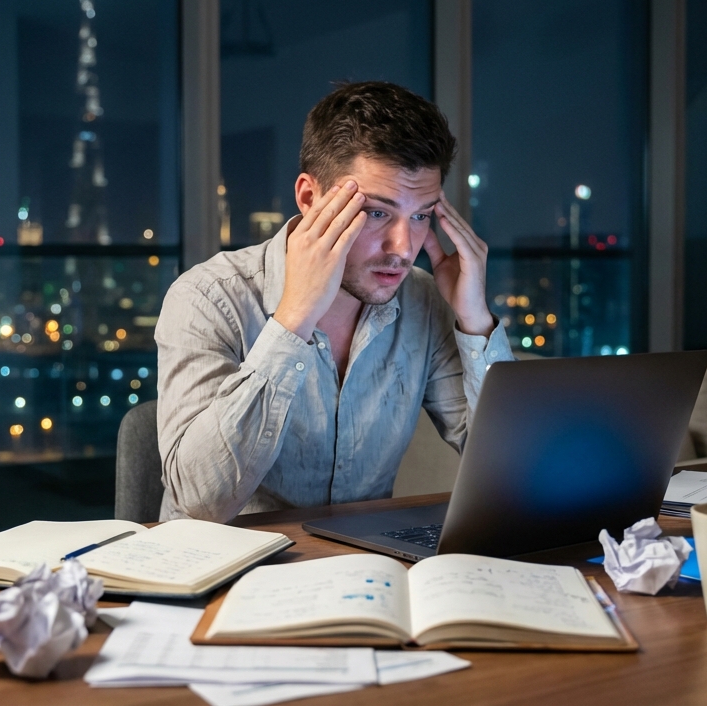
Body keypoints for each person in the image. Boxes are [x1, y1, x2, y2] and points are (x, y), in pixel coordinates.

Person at [155, 81, 514, 521]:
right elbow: (200, 504)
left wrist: (474, 319)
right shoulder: (209, 298)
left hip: (362, 570)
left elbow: (512, 469)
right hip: (233, 575)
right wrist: (293, 321)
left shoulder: (422, 298)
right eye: (378, 212)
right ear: (309, 198)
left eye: (420, 216)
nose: (403, 247)